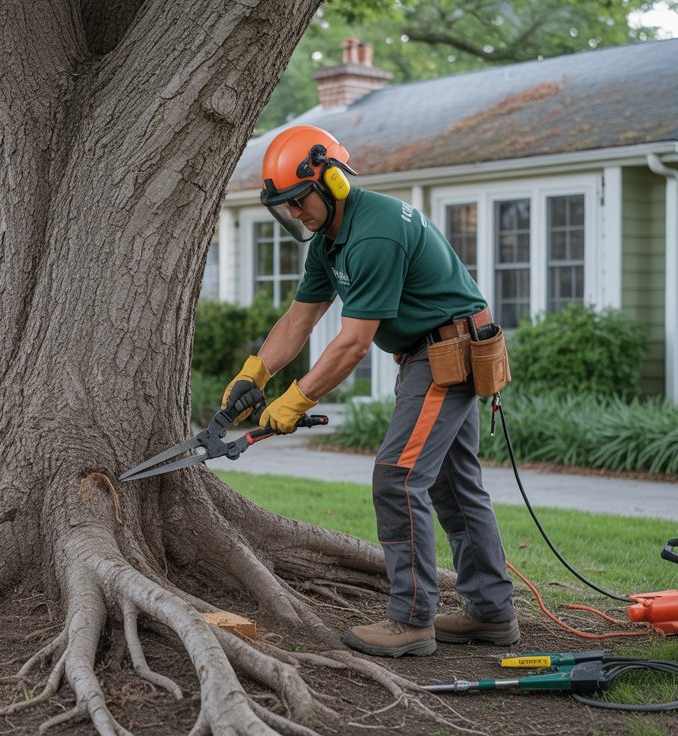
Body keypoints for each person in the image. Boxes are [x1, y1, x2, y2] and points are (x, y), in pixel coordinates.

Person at [222, 125, 518, 657]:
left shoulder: (375, 232)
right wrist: (255, 374)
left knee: (397, 477)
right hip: (430, 352)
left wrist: (295, 400)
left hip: (445, 356)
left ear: (331, 181)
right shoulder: (331, 239)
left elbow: (353, 344)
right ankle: (491, 611)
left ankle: (411, 621)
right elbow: (300, 318)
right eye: (283, 206)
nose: (293, 213)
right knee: (452, 485)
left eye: (297, 200)